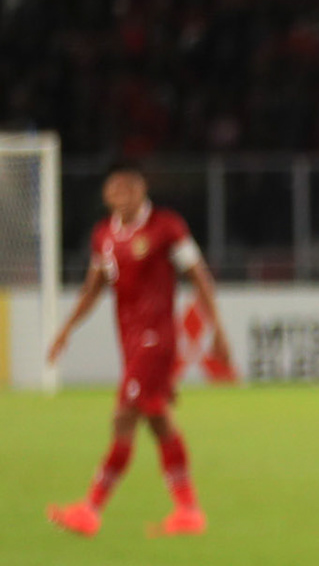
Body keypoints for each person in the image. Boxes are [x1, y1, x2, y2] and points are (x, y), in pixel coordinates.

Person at [46, 161, 231, 537]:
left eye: (128, 189)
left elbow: (199, 277)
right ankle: (188, 510)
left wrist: (218, 332)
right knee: (159, 421)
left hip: (156, 339)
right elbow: (93, 288)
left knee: (123, 417)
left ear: (142, 190)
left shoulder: (166, 228)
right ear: (106, 195)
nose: (121, 197)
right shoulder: (103, 235)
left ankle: (91, 508)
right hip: (130, 343)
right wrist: (65, 329)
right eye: (114, 191)